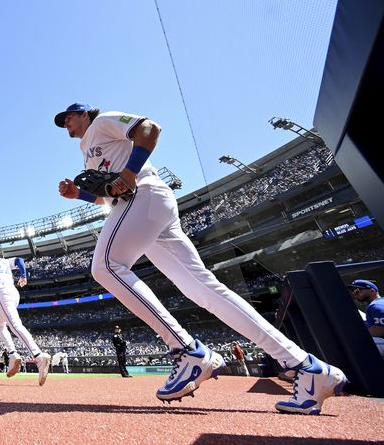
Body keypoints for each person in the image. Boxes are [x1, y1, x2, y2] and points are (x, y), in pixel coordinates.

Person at [54, 103, 347, 414]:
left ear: (84, 113)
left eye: (68, 119)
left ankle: (186, 349)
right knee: (204, 289)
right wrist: (81, 195)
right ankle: (307, 366)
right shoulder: (88, 149)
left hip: (143, 195)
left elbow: (149, 129)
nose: (66, 126)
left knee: (106, 267)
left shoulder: (103, 121)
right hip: (141, 204)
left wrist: (128, 173)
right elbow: (108, 194)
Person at [0, 243, 51, 386]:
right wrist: (23, 275)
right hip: (13, 292)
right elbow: (19, 261)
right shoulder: (3, 261)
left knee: (15, 325)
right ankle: (13, 355)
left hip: (2, 293)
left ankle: (38, 356)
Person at [347, 279, 384, 358]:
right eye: (353, 291)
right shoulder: (379, 303)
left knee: (359, 343)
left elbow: (381, 328)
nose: (355, 293)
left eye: (358, 290)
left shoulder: (376, 305)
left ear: (372, 291)